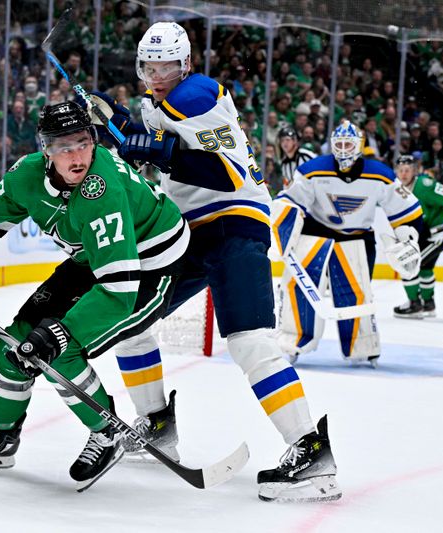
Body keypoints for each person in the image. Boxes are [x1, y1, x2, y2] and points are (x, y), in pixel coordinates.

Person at [94, 21, 340, 502]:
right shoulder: (167, 102)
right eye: (148, 65)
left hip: (232, 225)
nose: (156, 73)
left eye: (165, 65)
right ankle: (158, 423)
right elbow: (159, 141)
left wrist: (142, 142)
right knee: (130, 320)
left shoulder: (199, 92)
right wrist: (121, 124)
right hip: (187, 233)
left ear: (184, 63)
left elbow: (221, 176)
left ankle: (310, 452)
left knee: (249, 342)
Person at [0, 101, 190, 491]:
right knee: (16, 343)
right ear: (45, 149)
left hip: (151, 265)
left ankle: (106, 432)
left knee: (58, 347)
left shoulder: (103, 191)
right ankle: (2, 438)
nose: (76, 155)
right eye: (63, 146)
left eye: (83, 142)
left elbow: (118, 289)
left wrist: (60, 333)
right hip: (93, 257)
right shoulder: (27, 175)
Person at [274, 121, 424, 365]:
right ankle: (293, 340)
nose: (343, 150)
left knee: (357, 294)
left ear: (359, 146)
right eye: (339, 144)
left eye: (348, 144)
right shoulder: (312, 169)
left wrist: (408, 236)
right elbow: (289, 200)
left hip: (357, 237)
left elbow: (408, 210)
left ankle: (361, 344)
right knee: (298, 288)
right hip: (316, 233)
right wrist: (285, 225)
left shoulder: (381, 174)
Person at [392, 155, 443, 318]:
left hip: (439, 234)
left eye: (407, 170)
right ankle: (428, 304)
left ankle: (414, 304)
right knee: (425, 267)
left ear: (414, 171)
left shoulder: (425, 185)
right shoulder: (396, 190)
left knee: (408, 263)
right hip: (425, 234)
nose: (404, 174)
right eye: (401, 170)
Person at [278, 126, 315, 191]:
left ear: (295, 141)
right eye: (282, 140)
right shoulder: (284, 163)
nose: (284, 143)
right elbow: (287, 185)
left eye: (287, 140)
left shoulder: (306, 155)